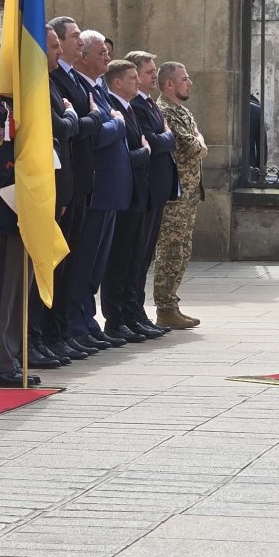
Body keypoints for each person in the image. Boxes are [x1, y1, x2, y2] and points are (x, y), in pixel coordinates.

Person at [0, 43, 44, 387]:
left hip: (26, 205)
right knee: (4, 289)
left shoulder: (17, 104)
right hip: (8, 205)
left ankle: (12, 359)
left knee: (20, 290)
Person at [63, 30, 128, 350]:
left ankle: (87, 321)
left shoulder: (96, 89)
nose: (107, 57)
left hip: (110, 191)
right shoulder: (81, 89)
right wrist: (116, 122)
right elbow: (99, 134)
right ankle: (77, 324)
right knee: (84, 263)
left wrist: (112, 120)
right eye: (101, 52)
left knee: (95, 266)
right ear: (84, 55)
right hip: (95, 188)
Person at [45, 16, 105, 358]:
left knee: (74, 265)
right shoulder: (56, 81)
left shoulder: (68, 80)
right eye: (74, 37)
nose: (79, 42)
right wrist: (94, 118)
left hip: (77, 181)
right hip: (62, 183)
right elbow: (71, 128)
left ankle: (64, 330)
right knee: (58, 266)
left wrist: (87, 119)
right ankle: (54, 332)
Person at [28, 26, 80, 367]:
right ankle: (33, 339)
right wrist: (74, 114)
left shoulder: (48, 82)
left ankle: (47, 336)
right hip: (35, 195)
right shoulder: (35, 86)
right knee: (35, 275)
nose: (59, 53)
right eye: (53, 46)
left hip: (58, 188)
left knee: (57, 271)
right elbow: (58, 127)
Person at [99, 59, 152, 344]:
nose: (138, 82)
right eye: (133, 77)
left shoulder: (129, 108)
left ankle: (131, 315)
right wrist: (145, 151)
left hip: (138, 194)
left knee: (134, 259)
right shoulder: (113, 107)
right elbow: (124, 156)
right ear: (117, 82)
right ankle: (115, 319)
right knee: (118, 261)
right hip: (124, 193)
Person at [125, 50, 176, 338]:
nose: (153, 76)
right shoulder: (139, 107)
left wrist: (165, 137)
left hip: (156, 190)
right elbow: (157, 142)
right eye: (147, 72)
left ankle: (137, 311)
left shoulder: (147, 104)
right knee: (134, 256)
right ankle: (129, 313)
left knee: (144, 257)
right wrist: (166, 137)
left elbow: (164, 139)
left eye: (154, 71)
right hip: (143, 189)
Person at [153, 62, 205, 330]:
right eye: (184, 79)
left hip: (189, 194)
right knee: (171, 250)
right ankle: (164, 308)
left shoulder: (182, 111)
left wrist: (198, 141)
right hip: (175, 195)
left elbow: (196, 141)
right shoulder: (166, 111)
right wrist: (199, 142)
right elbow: (189, 144)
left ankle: (172, 304)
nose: (190, 83)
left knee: (183, 250)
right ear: (169, 84)